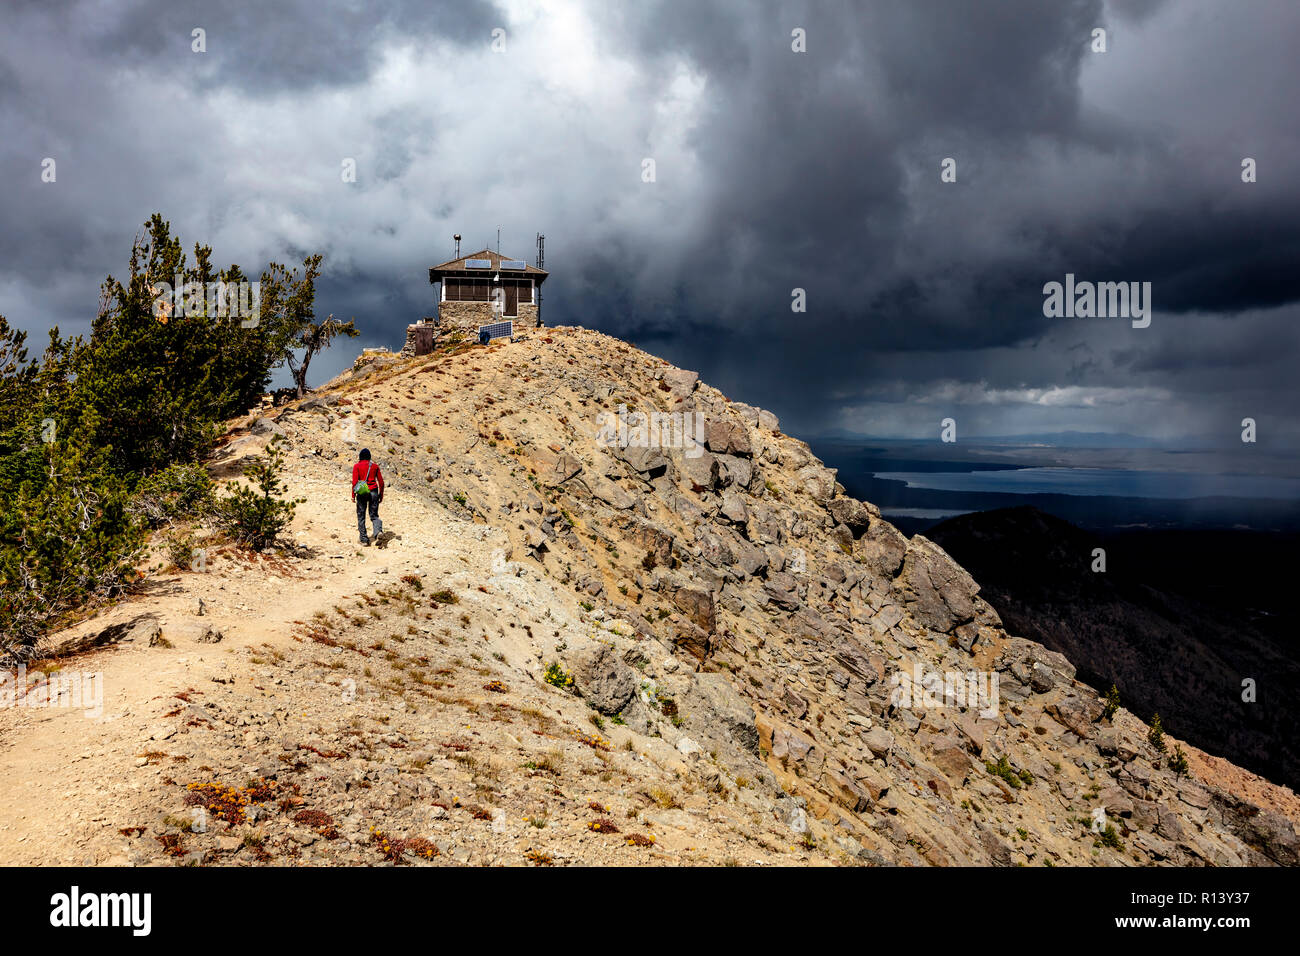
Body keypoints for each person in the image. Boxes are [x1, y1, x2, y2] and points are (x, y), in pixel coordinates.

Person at [351, 448, 385, 546]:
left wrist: (353, 495)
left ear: (360, 457)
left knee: (361, 515)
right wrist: (381, 494)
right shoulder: (374, 466)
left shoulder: (357, 466)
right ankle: (378, 532)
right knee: (374, 515)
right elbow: (381, 482)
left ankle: (364, 540)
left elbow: (354, 482)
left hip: (362, 493)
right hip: (374, 491)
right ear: (369, 457)